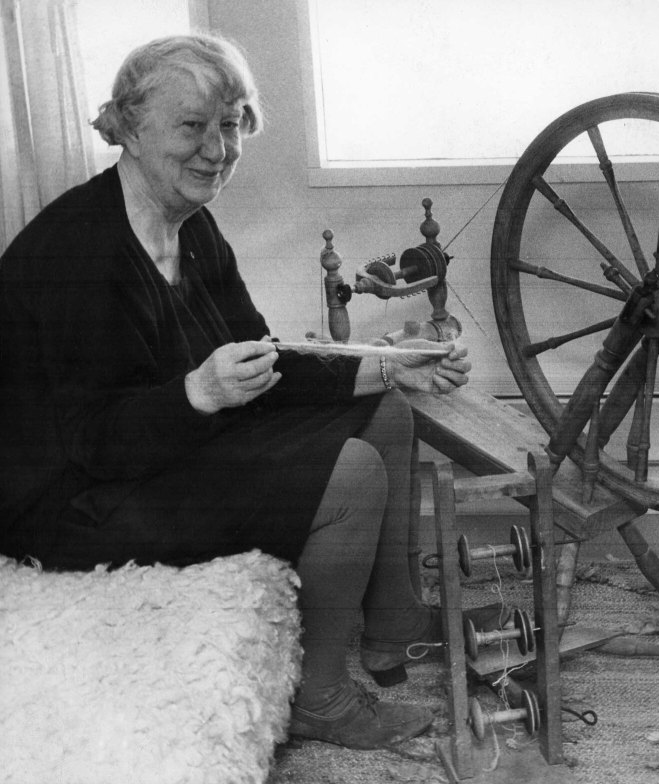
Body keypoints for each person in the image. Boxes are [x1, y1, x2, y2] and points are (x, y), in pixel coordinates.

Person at [0, 34, 471, 750]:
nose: (216, 150)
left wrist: (386, 364)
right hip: (68, 500)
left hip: (158, 446)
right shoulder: (78, 252)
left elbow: (262, 358)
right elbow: (91, 442)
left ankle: (393, 623)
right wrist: (197, 393)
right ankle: (322, 700)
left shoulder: (191, 227)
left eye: (230, 124)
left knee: (389, 412)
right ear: (129, 127)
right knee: (351, 476)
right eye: (192, 126)